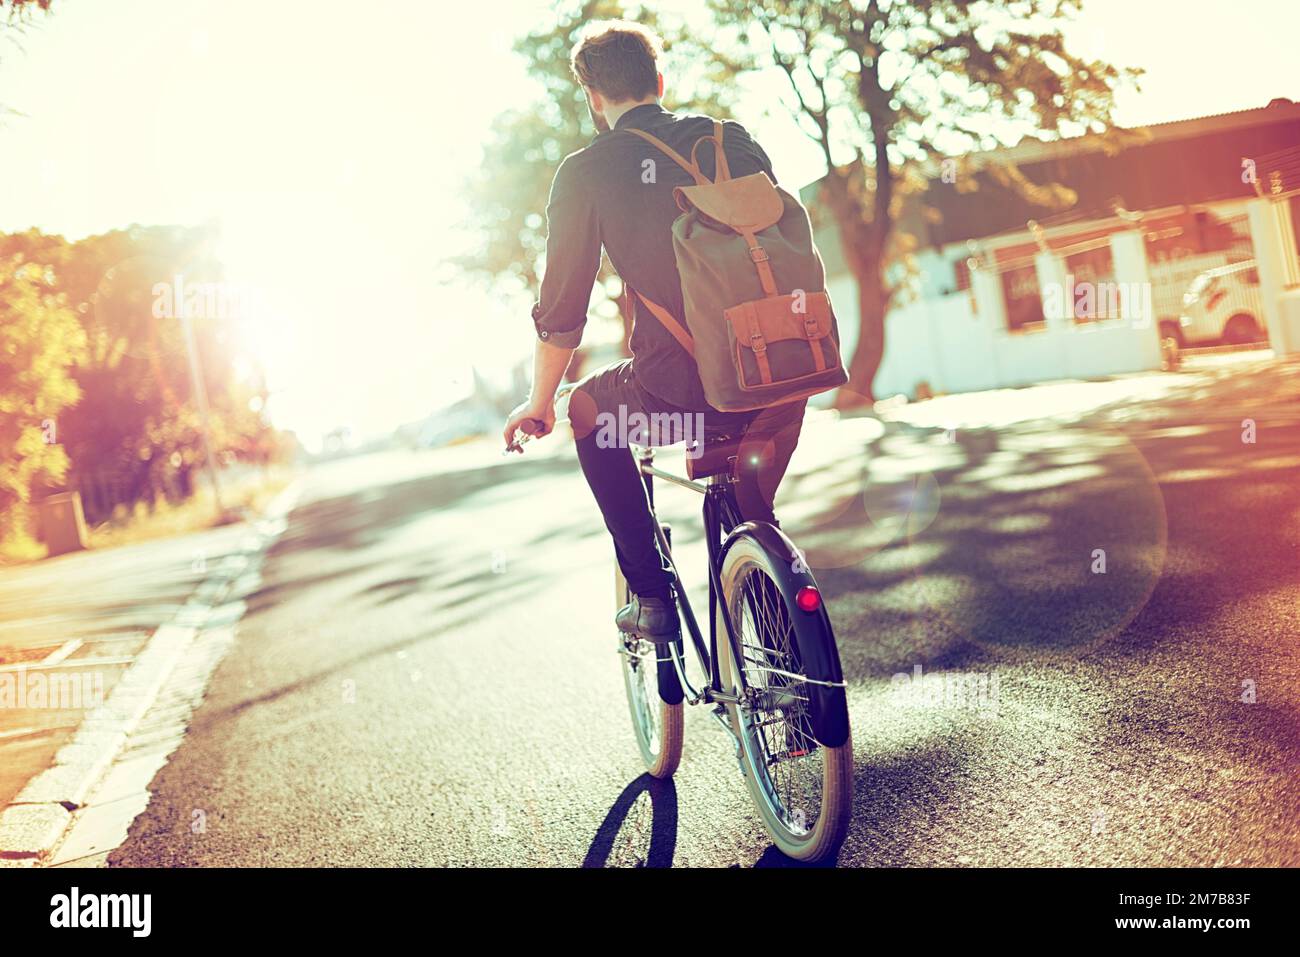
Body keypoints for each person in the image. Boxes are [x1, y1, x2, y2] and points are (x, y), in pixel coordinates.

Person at [501, 18, 806, 644]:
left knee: (588, 410)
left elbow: (563, 311)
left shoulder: (585, 173)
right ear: (660, 81)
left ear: (593, 99)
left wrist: (540, 405)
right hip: (785, 374)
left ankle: (652, 598)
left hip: (684, 397)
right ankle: (788, 670)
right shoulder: (731, 140)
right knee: (753, 505)